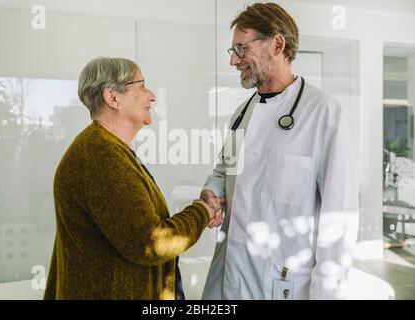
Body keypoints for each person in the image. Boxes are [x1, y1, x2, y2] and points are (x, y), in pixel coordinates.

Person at [201, 2, 359, 300]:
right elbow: (223, 171)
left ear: (277, 43)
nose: (233, 62)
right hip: (227, 280)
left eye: (240, 49)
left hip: (281, 285)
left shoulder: (326, 116)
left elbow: (339, 223)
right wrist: (211, 191)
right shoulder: (241, 114)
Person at [43, 57, 219, 300]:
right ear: (113, 98)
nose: (152, 96)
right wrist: (202, 211)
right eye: (142, 86)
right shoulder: (99, 157)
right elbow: (151, 243)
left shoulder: (105, 149)